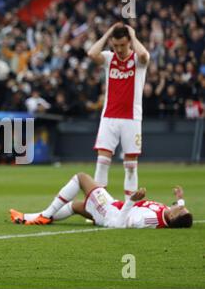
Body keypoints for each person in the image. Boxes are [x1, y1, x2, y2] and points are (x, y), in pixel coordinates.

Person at [87, 23, 150, 201]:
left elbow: (144, 54)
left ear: (129, 42)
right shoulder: (108, 58)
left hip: (132, 118)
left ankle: (129, 209)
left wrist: (133, 34)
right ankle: (100, 208)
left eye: (123, 45)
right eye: (116, 46)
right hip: (109, 117)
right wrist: (107, 33)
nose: (120, 49)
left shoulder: (138, 61)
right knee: (102, 163)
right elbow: (91, 53)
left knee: (130, 166)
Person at [10, 172, 193, 229]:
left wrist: (132, 200)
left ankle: (44, 215)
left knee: (81, 178)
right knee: (76, 206)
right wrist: (180, 199)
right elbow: (180, 209)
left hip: (110, 213)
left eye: (178, 209)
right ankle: (27, 217)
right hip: (111, 207)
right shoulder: (169, 214)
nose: (176, 206)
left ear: (173, 218)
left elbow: (120, 224)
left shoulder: (148, 220)